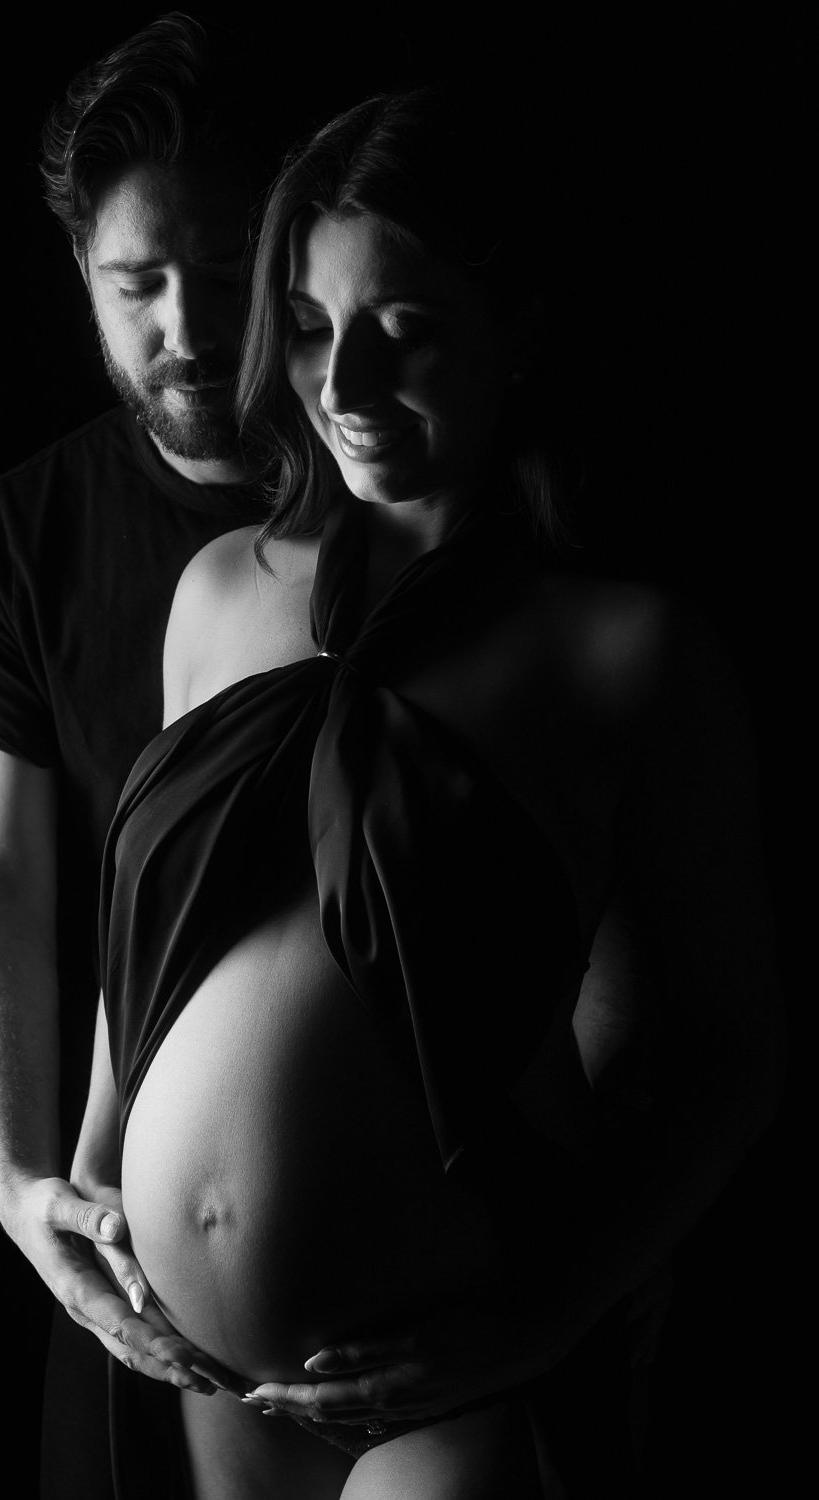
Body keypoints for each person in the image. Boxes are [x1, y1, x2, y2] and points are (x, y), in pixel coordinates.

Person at [72, 88, 786, 1497]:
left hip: (444, 1360)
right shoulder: (216, 593)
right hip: (203, 1369)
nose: (343, 387)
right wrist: (96, 1185)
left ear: (518, 332)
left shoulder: (620, 650)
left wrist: (545, 1318)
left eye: (407, 328)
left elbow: (726, 1057)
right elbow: (144, 934)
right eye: (317, 328)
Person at [0, 13, 272, 1495]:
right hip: (134, 1279)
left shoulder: (407, 508)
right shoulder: (22, 540)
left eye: (225, 272)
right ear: (80, 273)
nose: (189, 330)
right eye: (140, 285)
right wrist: (20, 1190)